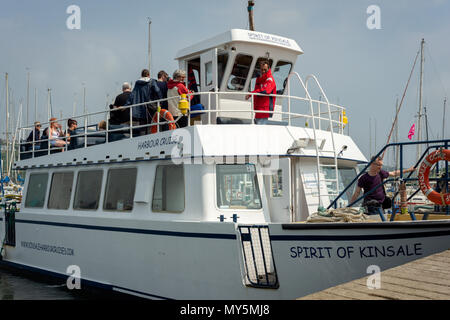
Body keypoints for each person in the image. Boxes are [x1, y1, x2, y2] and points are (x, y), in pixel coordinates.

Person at [350, 156, 415, 215]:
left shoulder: (381, 173)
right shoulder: (363, 178)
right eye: (378, 165)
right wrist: (350, 205)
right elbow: (357, 193)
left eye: (381, 165)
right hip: (370, 205)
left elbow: (394, 173)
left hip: (380, 205)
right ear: (372, 164)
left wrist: (408, 170)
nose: (380, 167)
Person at [126, 69, 162, 135]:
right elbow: (157, 91)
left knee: (142, 125)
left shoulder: (137, 83)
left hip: (139, 109)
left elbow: (132, 95)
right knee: (150, 124)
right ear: (148, 75)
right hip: (149, 107)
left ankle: (142, 140)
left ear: (141, 75)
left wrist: (126, 105)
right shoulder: (152, 81)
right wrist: (160, 101)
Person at [245, 59, 277, 124]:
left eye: (265, 69)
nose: (263, 71)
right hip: (259, 109)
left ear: (269, 69)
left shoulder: (269, 79)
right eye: (262, 69)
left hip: (264, 110)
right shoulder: (260, 79)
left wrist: (251, 93)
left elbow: (265, 90)